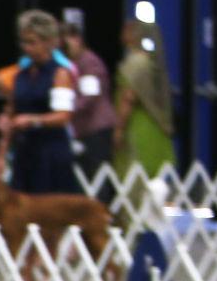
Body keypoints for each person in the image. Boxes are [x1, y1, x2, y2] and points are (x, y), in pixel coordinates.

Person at [0, 10, 77, 194]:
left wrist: (33, 120)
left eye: (32, 42)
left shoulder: (60, 73)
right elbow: (11, 112)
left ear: (49, 42)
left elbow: (64, 116)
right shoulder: (20, 76)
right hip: (24, 152)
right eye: (23, 42)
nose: (26, 47)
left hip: (51, 153)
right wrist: (1, 155)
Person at [113, 18, 175, 181]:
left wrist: (118, 129)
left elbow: (128, 98)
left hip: (137, 128)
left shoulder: (135, 63)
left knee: (135, 177)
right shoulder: (149, 61)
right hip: (154, 127)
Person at [62, 22, 116, 184]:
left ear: (77, 39)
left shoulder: (90, 62)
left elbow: (89, 96)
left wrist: (65, 111)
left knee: (97, 178)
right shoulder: (74, 63)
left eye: (66, 44)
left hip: (96, 129)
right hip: (84, 130)